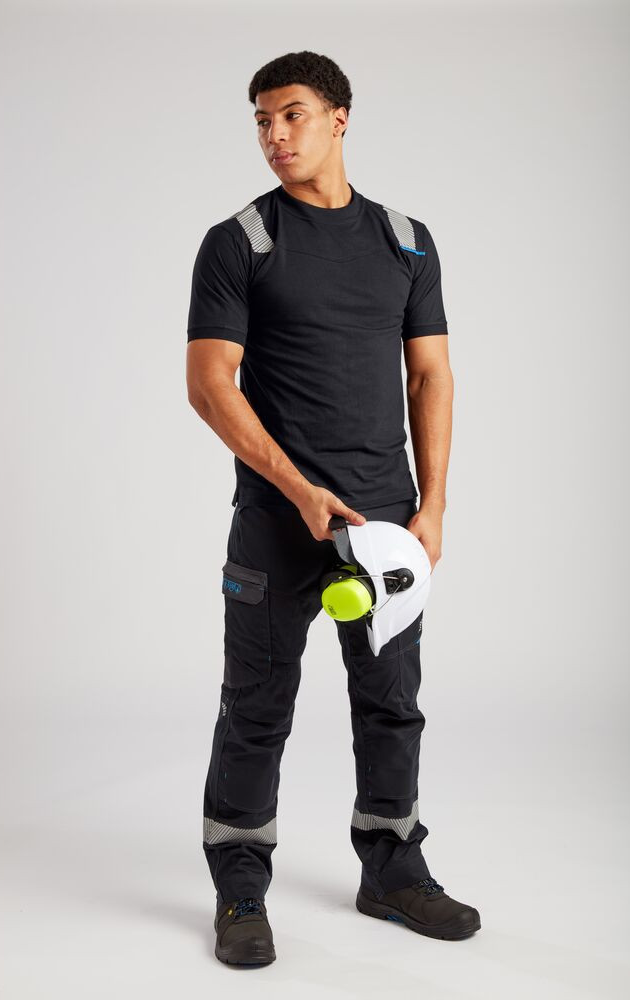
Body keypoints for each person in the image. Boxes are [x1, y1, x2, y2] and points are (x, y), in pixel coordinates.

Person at [186, 50, 480, 966]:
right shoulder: (241, 241)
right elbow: (209, 385)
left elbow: (430, 375)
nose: (274, 135)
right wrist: (298, 488)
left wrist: (433, 508)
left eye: (292, 114)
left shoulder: (406, 240)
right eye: (262, 121)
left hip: (387, 528)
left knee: (392, 705)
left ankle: (392, 869)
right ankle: (240, 889)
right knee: (256, 707)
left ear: (339, 117)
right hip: (277, 521)